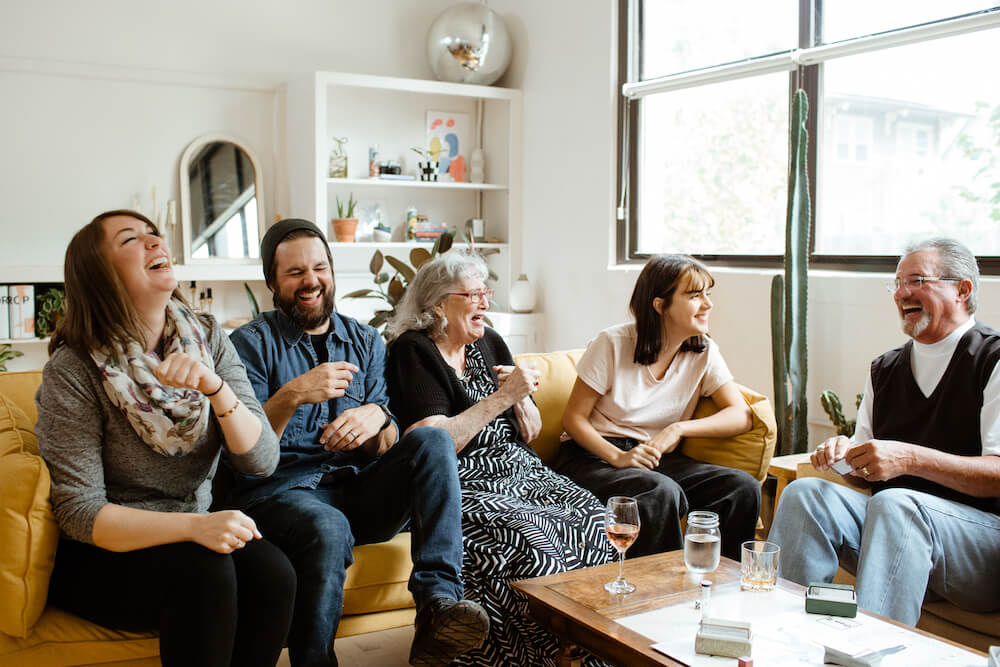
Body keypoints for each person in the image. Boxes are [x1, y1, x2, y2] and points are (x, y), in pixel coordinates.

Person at [37, 210, 294, 667]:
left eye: (155, 233)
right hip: (102, 554)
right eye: (131, 239)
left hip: (190, 537)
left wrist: (216, 389)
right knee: (207, 573)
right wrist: (196, 526)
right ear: (99, 274)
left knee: (273, 573)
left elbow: (261, 460)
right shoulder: (74, 367)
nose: (155, 241)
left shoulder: (210, 338)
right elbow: (80, 512)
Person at [227, 219, 487, 667]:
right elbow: (244, 454)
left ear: (332, 271)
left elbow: (386, 447)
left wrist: (378, 417)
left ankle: (437, 607)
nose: (310, 281)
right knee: (328, 527)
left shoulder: (366, 341)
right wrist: (292, 394)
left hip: (356, 488)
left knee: (432, 441)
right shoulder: (248, 345)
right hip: (284, 493)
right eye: (294, 273)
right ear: (273, 282)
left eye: (320, 267)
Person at [385, 252, 612, 666]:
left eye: (485, 292)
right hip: (462, 479)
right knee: (532, 545)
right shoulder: (413, 351)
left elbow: (530, 429)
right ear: (439, 304)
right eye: (473, 294)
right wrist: (505, 397)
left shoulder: (488, 341)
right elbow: (438, 441)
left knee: (598, 520)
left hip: (518, 467)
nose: (485, 303)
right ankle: (527, 657)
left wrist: (524, 401)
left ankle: (589, 653)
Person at [769, 237, 1000, 626]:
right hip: (895, 531)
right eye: (896, 283)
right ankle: (785, 638)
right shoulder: (885, 369)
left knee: (897, 505)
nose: (901, 293)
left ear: (963, 289)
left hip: (980, 548)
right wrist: (846, 458)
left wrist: (909, 458)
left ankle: (868, 654)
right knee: (805, 494)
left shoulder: (992, 360)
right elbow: (870, 474)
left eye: (917, 281)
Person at [553, 254, 758, 561]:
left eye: (707, 294)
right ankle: (662, 598)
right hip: (593, 457)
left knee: (741, 487)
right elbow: (574, 419)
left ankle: (718, 587)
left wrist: (678, 428)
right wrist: (620, 458)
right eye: (694, 295)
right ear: (660, 305)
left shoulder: (703, 351)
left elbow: (740, 415)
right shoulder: (612, 343)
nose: (708, 304)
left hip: (653, 457)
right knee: (660, 492)